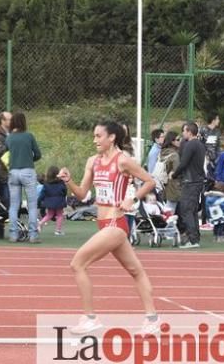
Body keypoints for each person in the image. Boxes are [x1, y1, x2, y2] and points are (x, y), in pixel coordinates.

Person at [58, 121, 158, 335]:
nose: (94, 140)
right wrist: (69, 181)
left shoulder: (123, 161)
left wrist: (133, 199)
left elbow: (150, 182)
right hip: (103, 224)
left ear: (111, 137)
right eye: (94, 136)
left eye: (98, 136)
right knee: (135, 271)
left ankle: (89, 318)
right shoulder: (92, 162)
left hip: (116, 223)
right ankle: (152, 319)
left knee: (78, 264)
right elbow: (83, 194)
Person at [6, 111, 42, 244]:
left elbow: (6, 154)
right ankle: (33, 235)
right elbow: (38, 154)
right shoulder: (29, 136)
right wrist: (29, 158)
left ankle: (13, 234)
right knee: (32, 205)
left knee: (14, 205)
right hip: (28, 171)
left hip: (13, 172)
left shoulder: (9, 138)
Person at [174, 122, 205, 248]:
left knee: (186, 210)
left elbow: (183, 163)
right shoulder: (200, 145)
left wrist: (174, 174)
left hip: (190, 181)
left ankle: (192, 240)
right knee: (192, 210)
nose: (183, 133)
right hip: (197, 180)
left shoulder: (190, 145)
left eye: (184, 131)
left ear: (189, 132)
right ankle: (195, 237)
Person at [38, 166, 67, 236]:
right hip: (59, 201)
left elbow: (43, 193)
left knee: (49, 215)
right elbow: (65, 191)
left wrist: (39, 200)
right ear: (58, 174)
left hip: (49, 202)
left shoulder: (46, 184)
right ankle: (58, 230)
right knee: (60, 215)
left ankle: (40, 223)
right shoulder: (61, 182)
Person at [159, 132, 181, 210]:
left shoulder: (162, 152)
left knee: (167, 209)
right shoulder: (174, 155)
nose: (180, 141)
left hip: (163, 184)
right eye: (178, 140)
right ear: (172, 141)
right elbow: (177, 171)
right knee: (170, 212)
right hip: (174, 186)